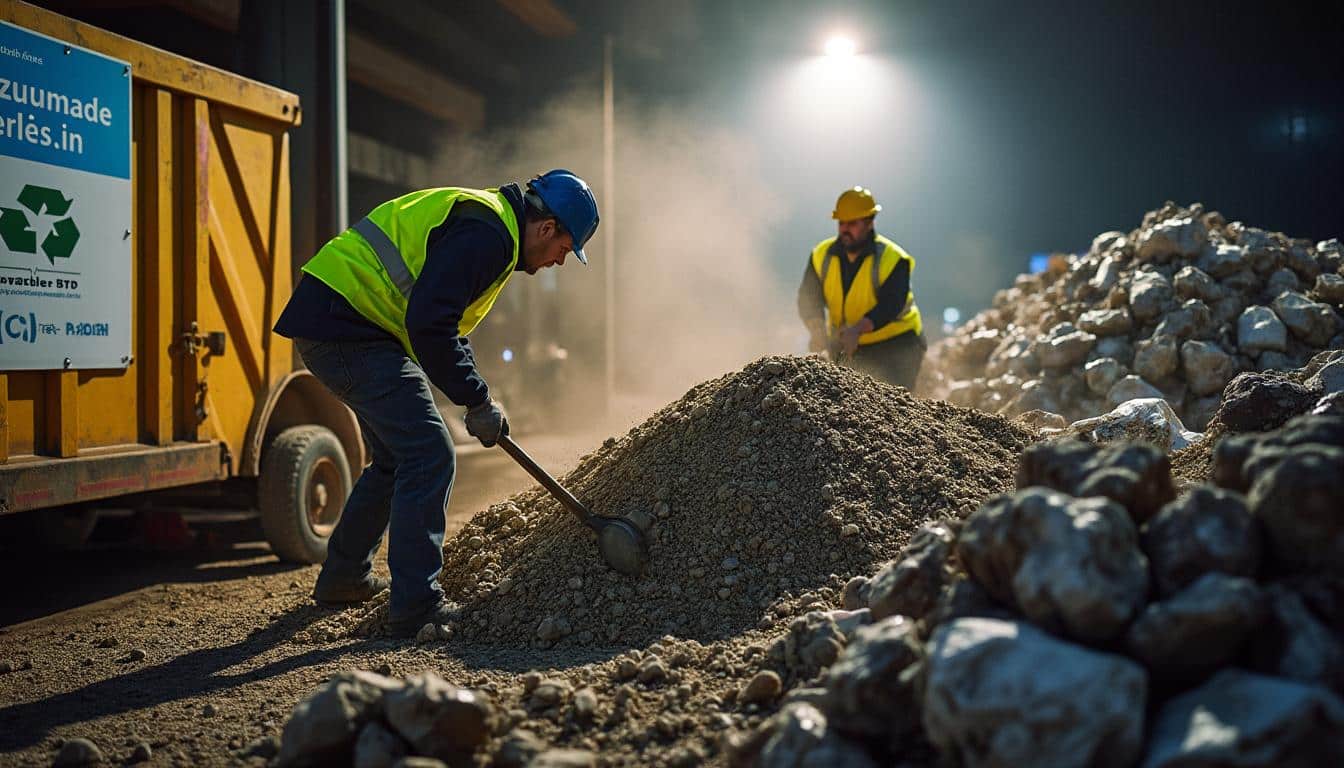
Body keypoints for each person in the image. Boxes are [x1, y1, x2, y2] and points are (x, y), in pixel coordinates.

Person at [272, 170, 599, 635]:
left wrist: (480, 398)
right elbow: (429, 326)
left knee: (394, 458)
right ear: (547, 229)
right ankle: (416, 605)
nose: (559, 262)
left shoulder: (492, 227)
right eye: (565, 250)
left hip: (341, 320)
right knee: (429, 452)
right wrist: (476, 399)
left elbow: (447, 328)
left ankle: (344, 577)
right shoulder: (487, 236)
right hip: (348, 326)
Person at [797, 186, 926, 390]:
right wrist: (817, 330)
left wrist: (857, 330)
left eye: (852, 223)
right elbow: (808, 297)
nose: (845, 229)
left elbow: (891, 304)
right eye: (841, 223)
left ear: (869, 222)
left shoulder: (893, 259)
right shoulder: (820, 255)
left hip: (897, 345)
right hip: (846, 343)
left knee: (889, 406)